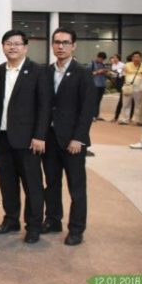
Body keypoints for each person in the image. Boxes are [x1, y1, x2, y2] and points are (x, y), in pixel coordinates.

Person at [0, 30, 51, 244]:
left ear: (25, 47)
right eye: (8, 43)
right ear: (3, 47)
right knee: (7, 184)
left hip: (28, 140)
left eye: (17, 44)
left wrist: (40, 135)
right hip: (1, 139)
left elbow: (45, 106)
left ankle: (33, 226)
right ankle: (11, 219)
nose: (12, 47)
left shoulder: (38, 71)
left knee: (32, 185)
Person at [42, 27, 95, 246]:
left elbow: (88, 109)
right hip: (50, 139)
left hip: (73, 141)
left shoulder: (83, 72)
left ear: (74, 46)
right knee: (52, 183)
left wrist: (78, 138)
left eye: (65, 42)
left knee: (76, 187)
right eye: (57, 42)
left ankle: (76, 229)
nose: (60, 46)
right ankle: (53, 220)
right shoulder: (46, 71)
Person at [119, 51, 142, 125]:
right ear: (132, 58)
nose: (136, 58)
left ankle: (139, 120)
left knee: (139, 104)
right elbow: (122, 75)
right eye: (134, 57)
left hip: (139, 88)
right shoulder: (127, 65)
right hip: (128, 87)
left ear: (141, 58)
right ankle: (124, 120)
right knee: (126, 104)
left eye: (137, 57)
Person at [89, 52, 108, 121]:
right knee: (94, 101)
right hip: (95, 85)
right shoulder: (92, 63)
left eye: (103, 59)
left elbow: (105, 75)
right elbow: (88, 73)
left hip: (102, 84)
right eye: (101, 59)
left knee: (98, 101)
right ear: (98, 57)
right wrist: (98, 72)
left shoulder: (103, 64)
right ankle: (92, 116)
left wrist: (106, 72)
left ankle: (96, 115)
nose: (102, 60)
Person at [110, 54, 125, 121]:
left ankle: (116, 117)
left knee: (122, 99)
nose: (114, 59)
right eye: (113, 58)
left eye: (115, 58)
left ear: (118, 58)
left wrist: (115, 72)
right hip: (117, 81)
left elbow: (120, 72)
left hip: (122, 80)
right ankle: (117, 117)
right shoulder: (113, 65)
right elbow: (114, 74)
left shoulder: (122, 64)